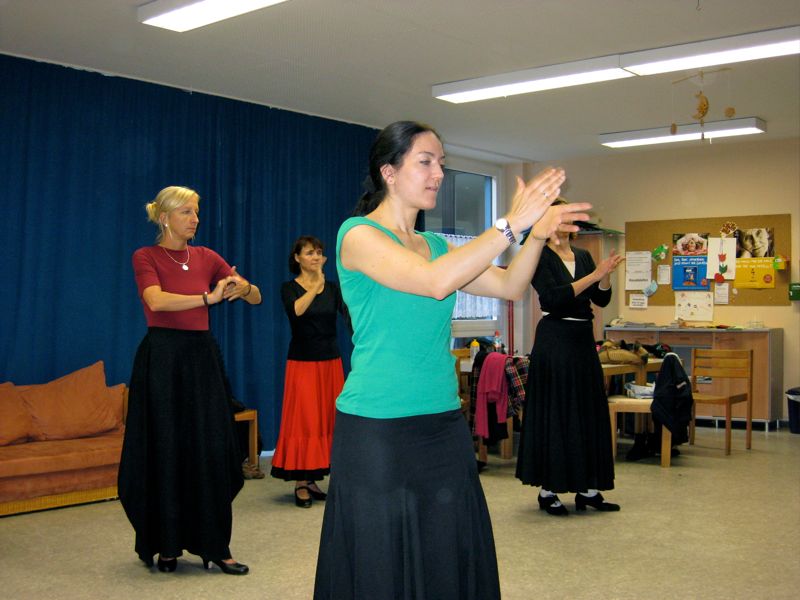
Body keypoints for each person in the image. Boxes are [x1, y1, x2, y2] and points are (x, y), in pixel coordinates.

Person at [313, 121, 590, 599]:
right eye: (426, 161)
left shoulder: (437, 245)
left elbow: (509, 287)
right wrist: (508, 225)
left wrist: (537, 236)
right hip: (377, 424)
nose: (439, 172)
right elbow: (434, 283)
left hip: (440, 422)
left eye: (441, 162)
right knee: (381, 559)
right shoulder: (357, 236)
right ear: (389, 172)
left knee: (445, 548)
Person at [118, 185, 262, 575]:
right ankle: (168, 546)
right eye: (186, 211)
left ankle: (217, 547)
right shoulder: (145, 256)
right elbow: (157, 301)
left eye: (196, 211)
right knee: (166, 449)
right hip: (162, 358)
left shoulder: (207, 256)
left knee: (210, 448)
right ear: (164, 217)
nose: (195, 218)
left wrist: (241, 287)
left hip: (201, 360)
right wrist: (208, 298)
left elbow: (257, 297)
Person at [515, 198, 624, 516]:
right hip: (555, 340)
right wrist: (594, 276)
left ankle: (588, 488)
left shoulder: (583, 255)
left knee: (586, 411)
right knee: (557, 411)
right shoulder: (539, 255)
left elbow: (601, 298)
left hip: (581, 340)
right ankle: (548, 491)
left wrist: (605, 275)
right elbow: (554, 297)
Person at [271, 236, 348, 508]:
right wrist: (315, 285)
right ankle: (300, 483)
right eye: (309, 253)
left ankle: (313, 478)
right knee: (304, 420)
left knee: (326, 419)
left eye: (318, 252)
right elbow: (297, 312)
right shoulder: (288, 288)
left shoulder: (333, 289)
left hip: (331, 362)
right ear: (297, 258)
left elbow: (349, 318)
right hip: (302, 362)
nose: (315, 257)